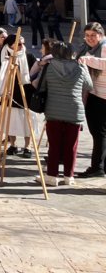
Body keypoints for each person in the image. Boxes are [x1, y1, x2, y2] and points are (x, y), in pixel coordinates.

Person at [34, 40, 92, 186]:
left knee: (54, 145)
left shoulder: (49, 67)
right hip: (75, 110)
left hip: (53, 110)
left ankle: (52, 176)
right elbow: (89, 86)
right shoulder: (80, 67)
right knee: (71, 146)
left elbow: (40, 86)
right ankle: (69, 176)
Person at [0, 34, 37, 157]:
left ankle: (27, 146)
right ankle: (13, 145)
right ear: (10, 44)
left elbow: (34, 73)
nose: (22, 46)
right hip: (8, 91)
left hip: (25, 92)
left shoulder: (29, 56)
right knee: (10, 120)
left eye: (23, 43)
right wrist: (5, 69)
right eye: (18, 43)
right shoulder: (2, 55)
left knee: (27, 121)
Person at [77, 22, 106, 177]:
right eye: (87, 35)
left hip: (102, 96)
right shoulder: (87, 49)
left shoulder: (104, 46)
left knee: (98, 133)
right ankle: (101, 166)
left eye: (93, 35)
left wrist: (87, 59)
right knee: (100, 133)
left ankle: (97, 167)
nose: (90, 38)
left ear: (100, 35)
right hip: (95, 93)